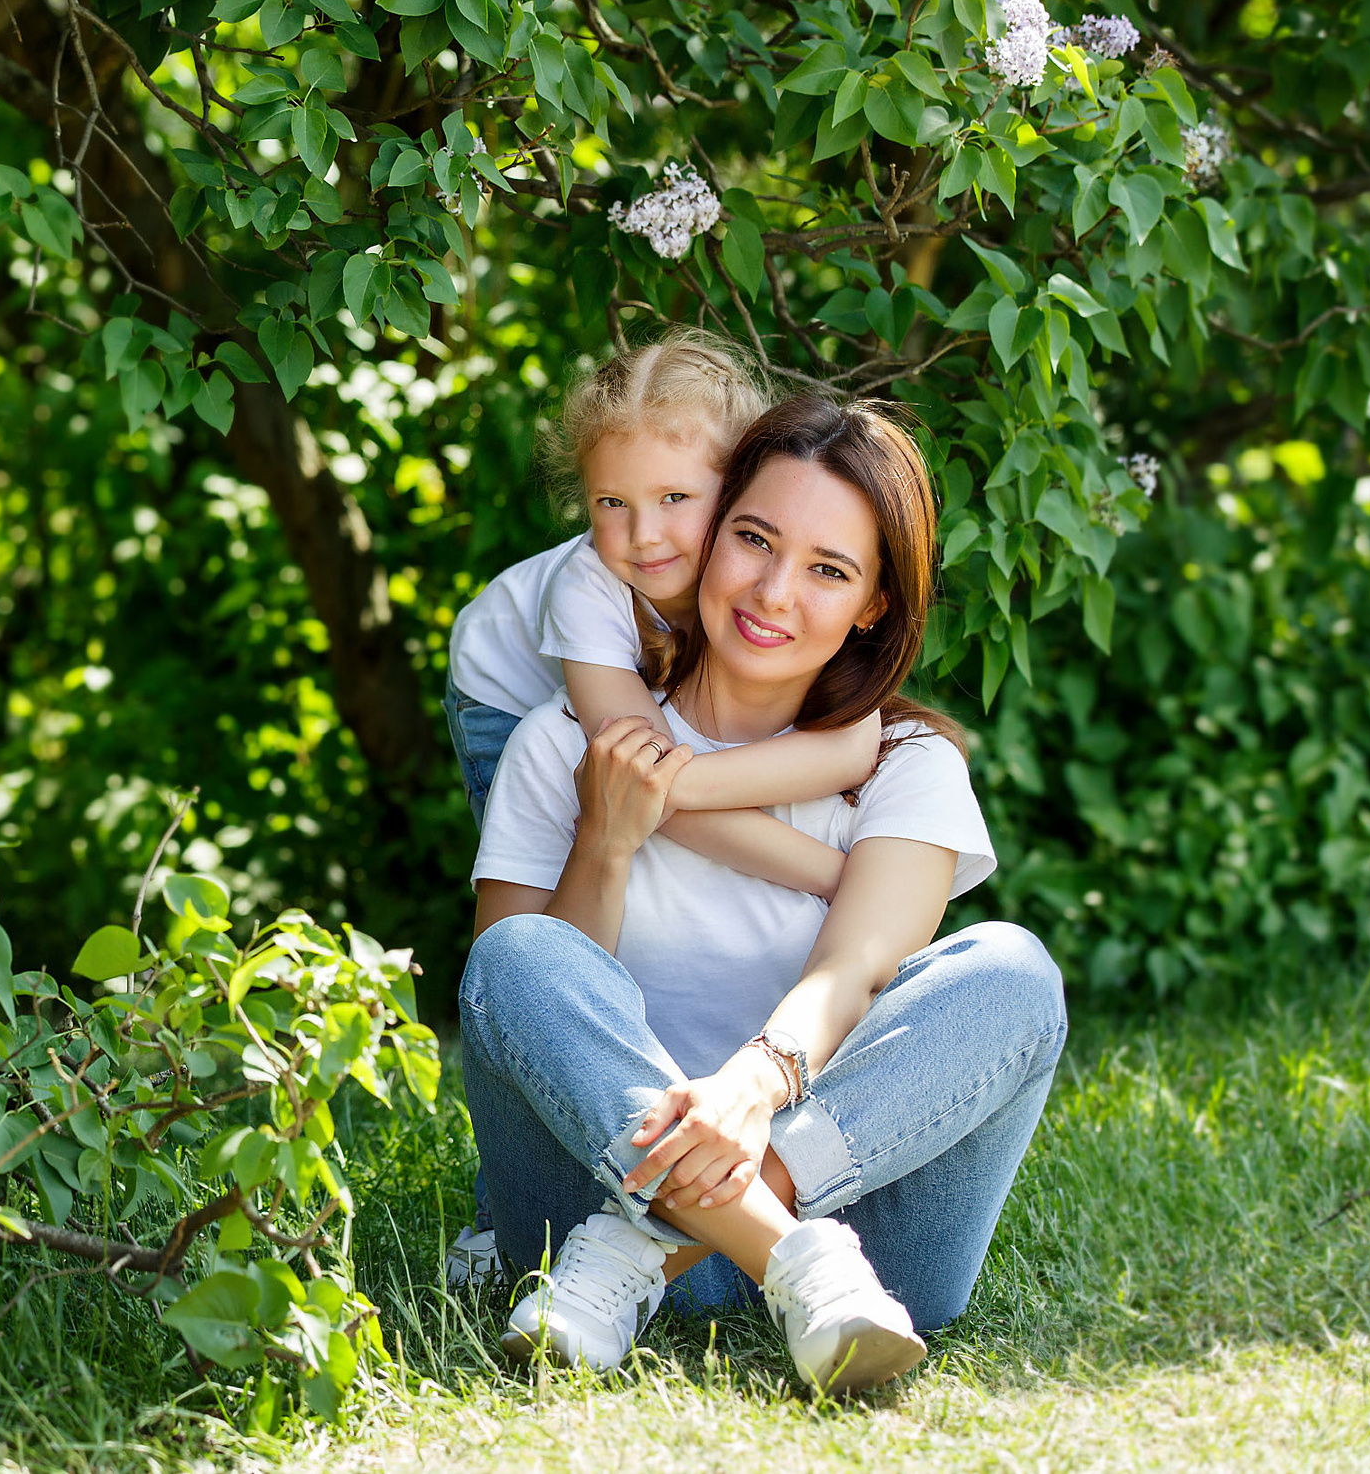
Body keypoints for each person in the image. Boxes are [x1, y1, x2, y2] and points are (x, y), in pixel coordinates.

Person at [461, 394, 1067, 1391]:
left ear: (874, 602)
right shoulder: (557, 748)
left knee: (1012, 972)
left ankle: (651, 1246)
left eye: (828, 570)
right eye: (753, 539)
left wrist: (751, 1086)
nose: (775, 592)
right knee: (514, 954)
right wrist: (605, 847)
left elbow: (856, 964)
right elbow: (511, 1017)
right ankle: (785, 1262)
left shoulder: (906, 766)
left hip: (869, 1242)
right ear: (709, 535)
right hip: (575, 1215)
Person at [439, 334, 895, 1286]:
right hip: (497, 698)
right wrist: (827, 872)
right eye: (612, 504)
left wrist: (849, 752)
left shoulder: (739, 575)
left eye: (676, 501)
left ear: (735, 492)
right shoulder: (590, 590)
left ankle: (671, 1192)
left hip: (636, 734)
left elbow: (724, 763)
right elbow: (658, 784)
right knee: (533, 942)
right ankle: (503, 1209)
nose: (643, 536)